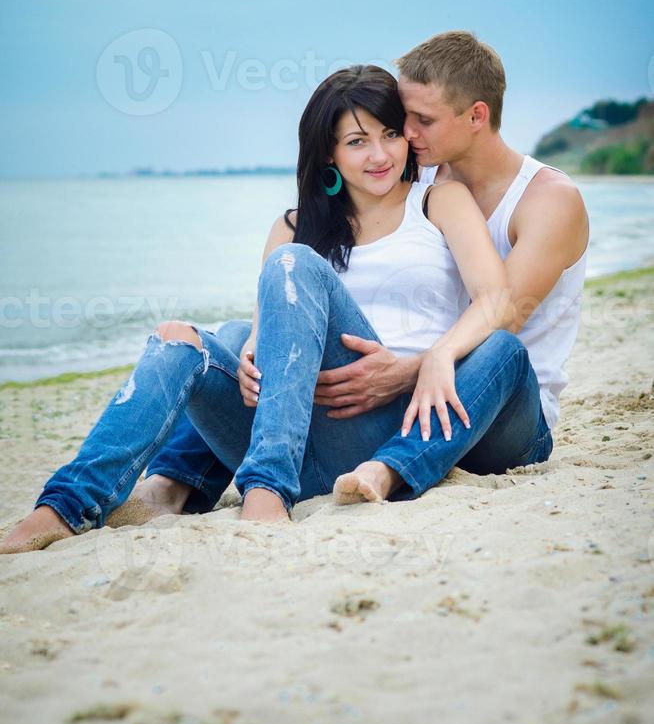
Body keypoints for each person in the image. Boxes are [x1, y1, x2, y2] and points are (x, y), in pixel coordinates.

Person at [1, 64, 514, 553]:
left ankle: (265, 493)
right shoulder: (293, 226)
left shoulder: (437, 201)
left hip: (386, 430)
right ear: (329, 155)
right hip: (298, 438)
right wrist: (249, 355)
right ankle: (63, 509)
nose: (379, 154)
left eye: (390, 134)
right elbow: (264, 330)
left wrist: (436, 357)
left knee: (294, 266)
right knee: (182, 338)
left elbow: (495, 298)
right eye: (357, 141)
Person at [123, 30, 589, 513]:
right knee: (241, 336)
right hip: (420, 403)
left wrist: (404, 371)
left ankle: (386, 469)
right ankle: (175, 479)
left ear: (476, 115)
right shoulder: (425, 178)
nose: (404, 135)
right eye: (400, 121)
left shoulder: (547, 200)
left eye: (419, 121)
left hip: (502, 406)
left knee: (500, 347)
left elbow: (504, 313)